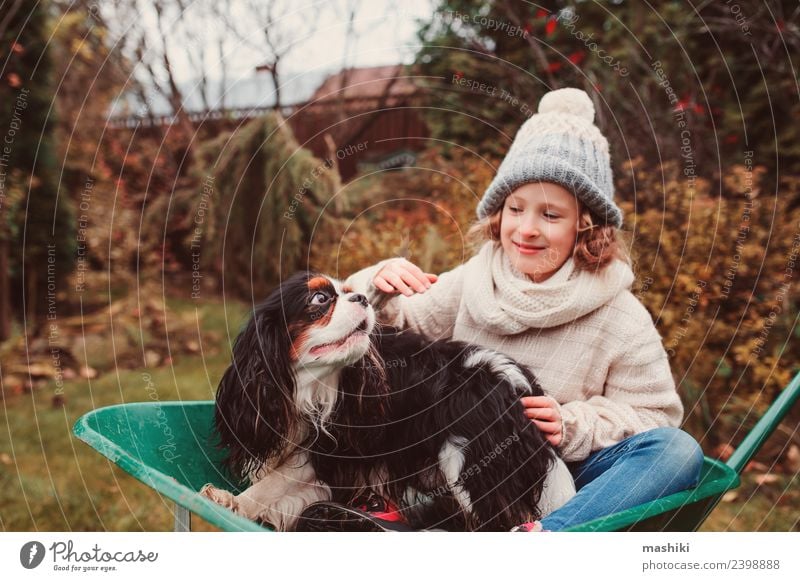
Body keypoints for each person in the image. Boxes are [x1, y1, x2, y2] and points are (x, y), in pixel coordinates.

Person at [343, 87, 704, 531]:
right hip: (458, 464)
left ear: (585, 226)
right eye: (516, 208)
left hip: (560, 475)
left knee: (676, 450)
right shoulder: (474, 281)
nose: (527, 229)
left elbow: (654, 415)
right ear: (499, 212)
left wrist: (573, 423)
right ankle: (407, 518)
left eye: (550, 216)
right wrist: (379, 288)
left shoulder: (620, 315)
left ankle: (540, 541)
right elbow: (393, 338)